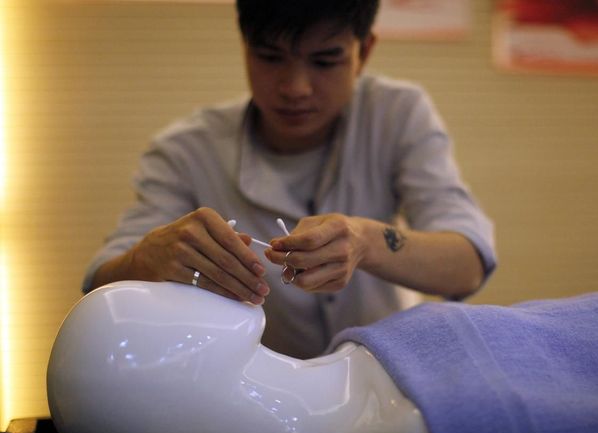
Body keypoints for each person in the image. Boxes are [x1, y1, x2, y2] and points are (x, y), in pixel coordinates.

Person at [83, 0, 497, 358]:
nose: (296, 88)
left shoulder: (397, 114)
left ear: (364, 52)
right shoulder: (186, 151)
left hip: (385, 385)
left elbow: (468, 264)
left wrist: (365, 242)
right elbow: (99, 282)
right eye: (270, 56)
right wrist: (146, 259)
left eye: (324, 61)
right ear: (244, 45)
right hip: (252, 398)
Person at [48, 281, 439, 433]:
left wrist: (370, 241)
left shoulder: (369, 382)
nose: (185, 289)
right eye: (163, 297)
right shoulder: (406, 430)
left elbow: (468, 253)